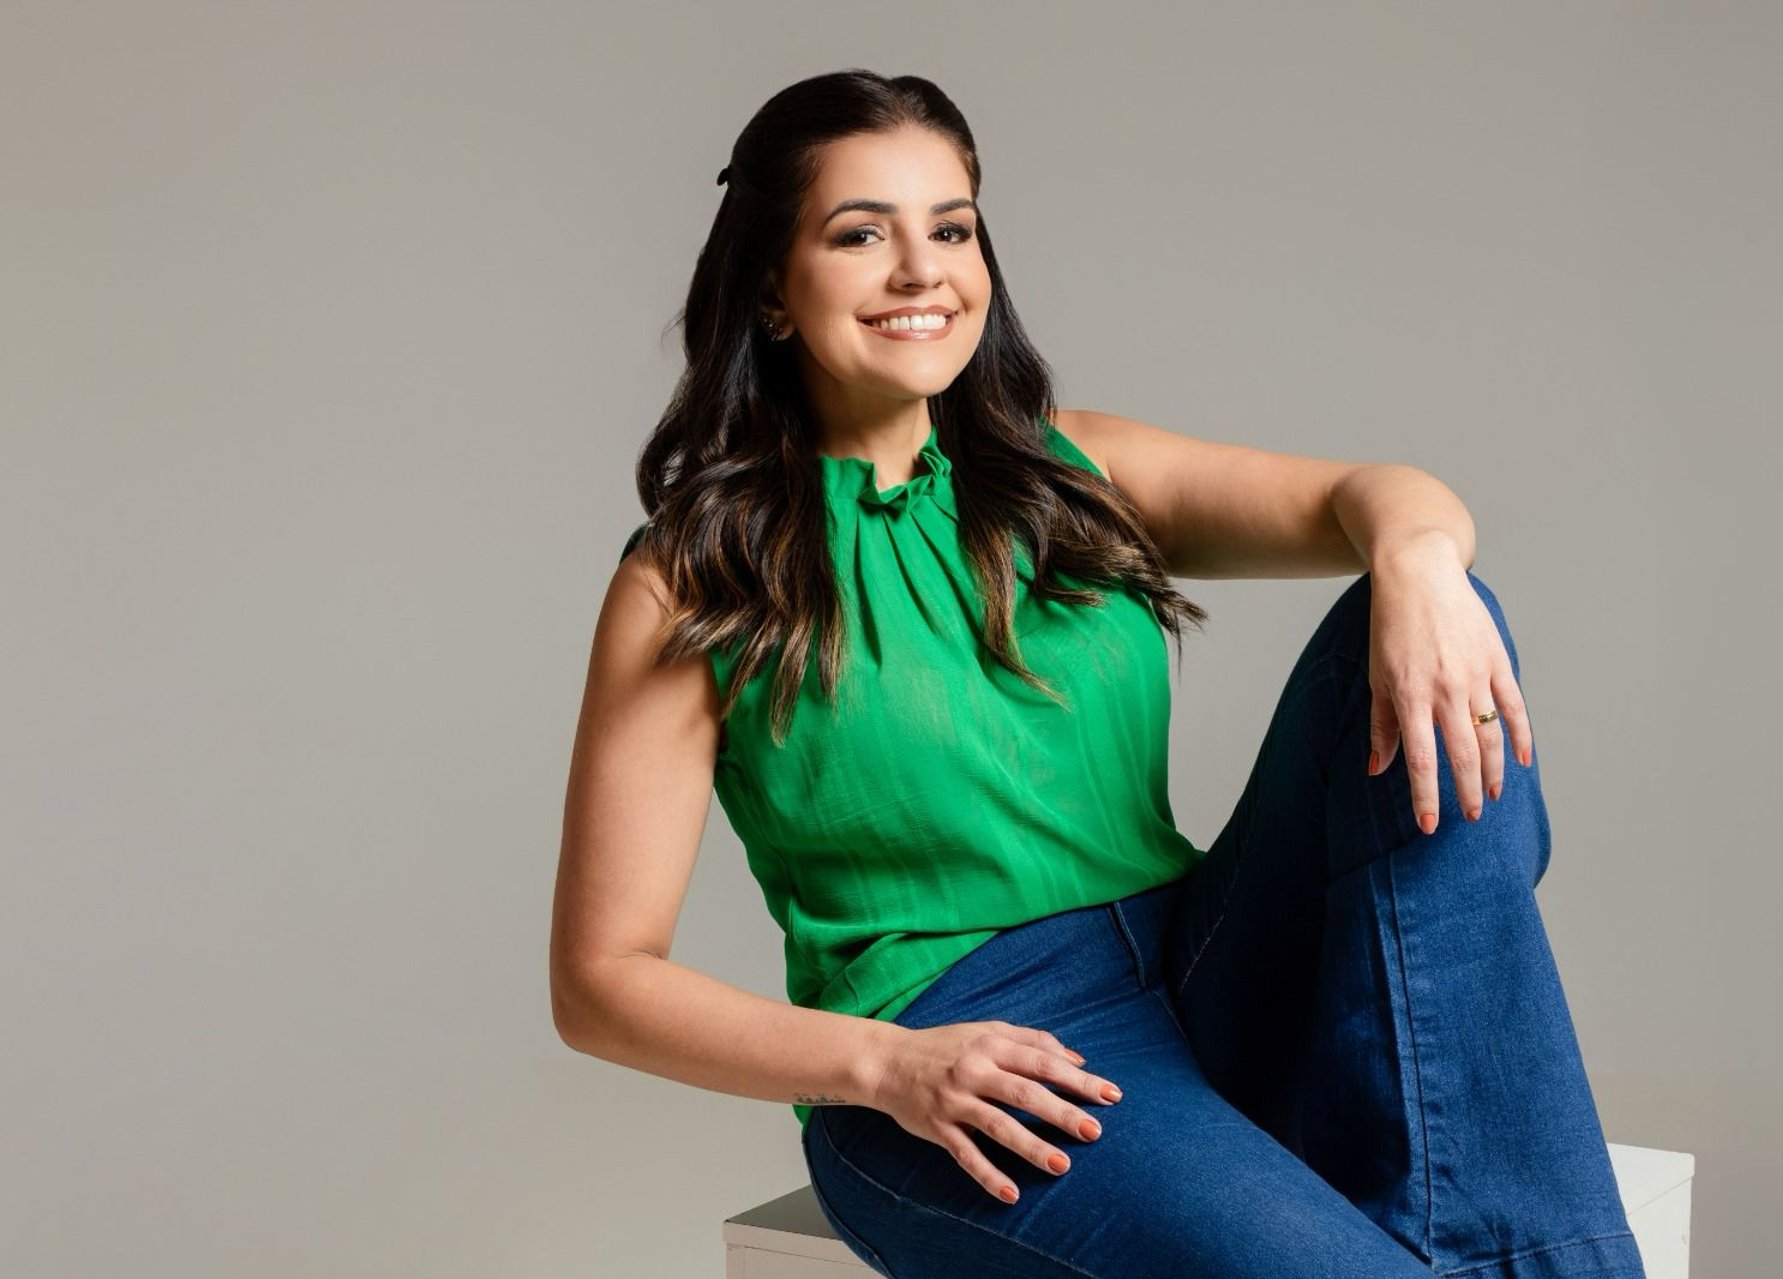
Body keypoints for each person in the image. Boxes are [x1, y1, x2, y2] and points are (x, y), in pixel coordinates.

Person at [550, 69, 1646, 1279]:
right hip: (975, 1065)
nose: (923, 271)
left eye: (952, 228)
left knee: (1435, 613)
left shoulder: (1070, 473)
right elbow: (602, 980)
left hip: (1207, 965)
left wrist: (1422, 560)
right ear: (770, 283)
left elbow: (1374, 495)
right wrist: (883, 1064)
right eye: (863, 234)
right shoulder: (697, 576)